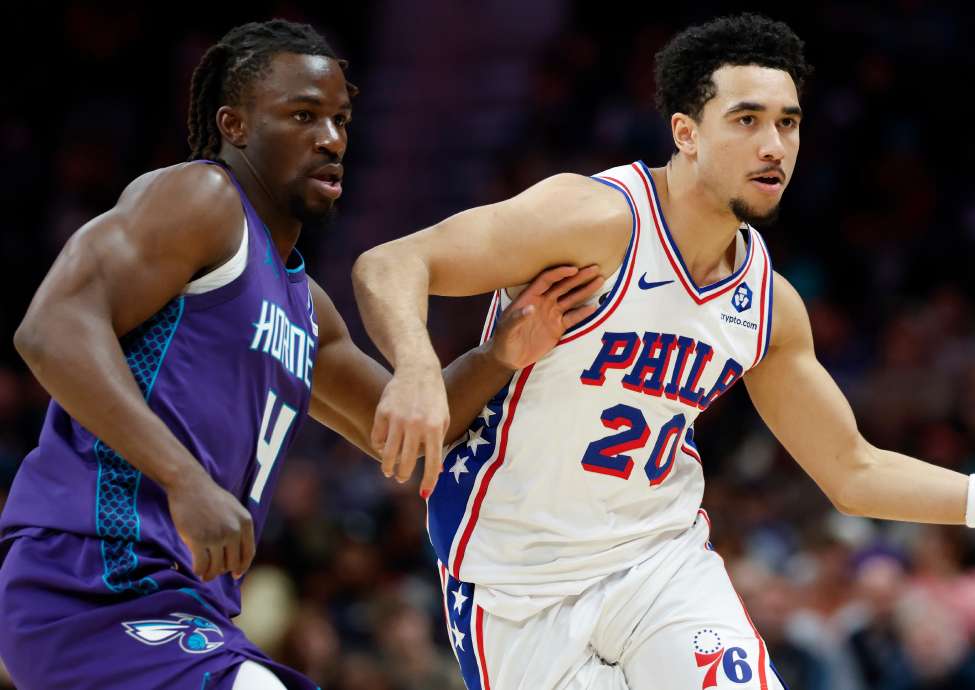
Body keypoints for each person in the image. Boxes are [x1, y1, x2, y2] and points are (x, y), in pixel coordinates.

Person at [352, 13, 975, 690]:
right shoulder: (593, 218)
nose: (774, 144)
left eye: (788, 122)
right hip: (515, 582)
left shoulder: (768, 306)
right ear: (686, 133)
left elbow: (853, 471)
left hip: (660, 564)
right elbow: (390, 263)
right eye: (746, 120)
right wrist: (418, 369)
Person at [0, 19, 600, 690]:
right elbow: (52, 329)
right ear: (234, 125)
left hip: (184, 604)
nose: (332, 138)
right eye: (303, 115)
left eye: (341, 120)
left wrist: (500, 354)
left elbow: (401, 434)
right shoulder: (201, 200)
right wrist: (186, 480)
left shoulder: (304, 306)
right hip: (90, 575)